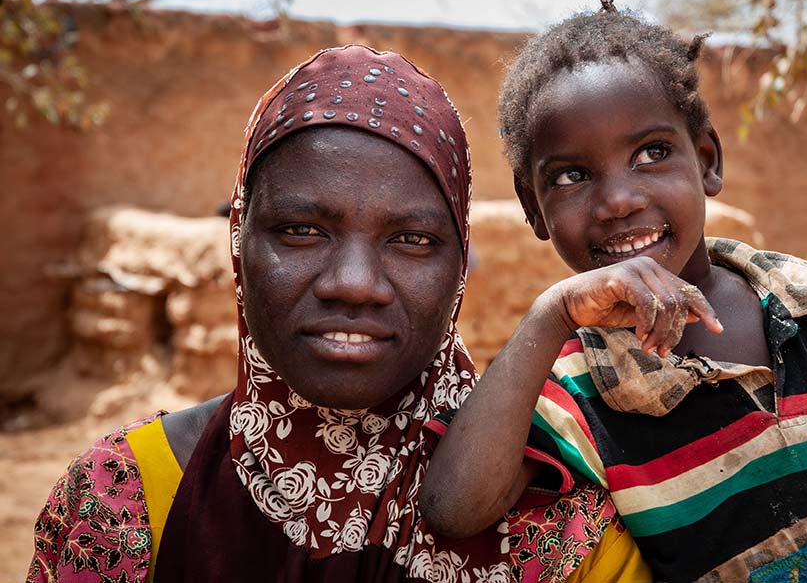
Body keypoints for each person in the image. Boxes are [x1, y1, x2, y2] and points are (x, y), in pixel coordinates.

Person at [26, 45, 646, 582]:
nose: (355, 285)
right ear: (240, 241)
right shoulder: (123, 500)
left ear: (461, 266)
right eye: (301, 230)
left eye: (411, 240)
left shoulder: (554, 521)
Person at [422, 0, 807, 582]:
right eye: (572, 175)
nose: (618, 200)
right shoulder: (578, 389)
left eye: (652, 152)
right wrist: (551, 313)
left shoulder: (806, 299)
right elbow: (454, 509)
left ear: (707, 159)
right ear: (534, 209)